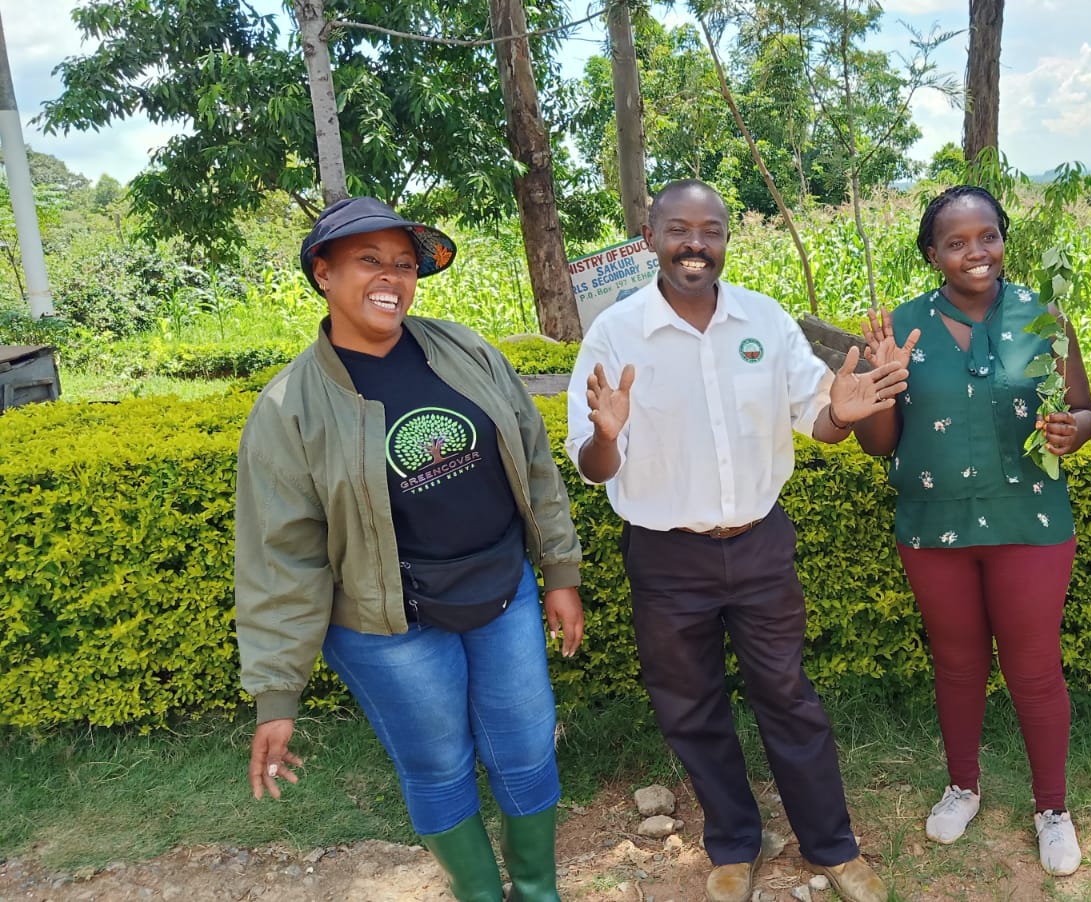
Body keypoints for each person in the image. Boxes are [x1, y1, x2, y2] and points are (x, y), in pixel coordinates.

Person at [235, 197, 585, 902]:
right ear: (323, 273)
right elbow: (282, 559)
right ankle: (483, 896)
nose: (391, 276)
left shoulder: (466, 351)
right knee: (439, 767)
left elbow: (535, 461)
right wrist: (277, 692)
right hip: (387, 628)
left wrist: (559, 571)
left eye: (403, 263)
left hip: (504, 594)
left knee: (524, 748)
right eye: (369, 261)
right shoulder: (287, 410)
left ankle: (538, 892)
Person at [565, 179, 901, 902]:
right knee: (689, 704)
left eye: (710, 229)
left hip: (758, 545)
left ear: (724, 238)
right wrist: (606, 434)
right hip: (665, 555)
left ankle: (833, 847)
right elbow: (593, 468)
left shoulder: (765, 320)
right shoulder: (615, 333)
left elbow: (818, 412)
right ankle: (732, 842)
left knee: (788, 693)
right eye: (679, 229)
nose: (695, 243)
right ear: (651, 236)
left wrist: (841, 415)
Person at [853, 185, 1091, 877]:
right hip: (933, 525)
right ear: (932, 254)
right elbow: (878, 445)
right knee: (957, 663)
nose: (975, 253)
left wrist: (1070, 431)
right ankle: (963, 786)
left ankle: (1052, 807)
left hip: (1032, 522)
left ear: (1003, 239)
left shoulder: (1045, 317)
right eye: (955, 242)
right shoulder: (900, 327)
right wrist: (879, 381)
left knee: (1033, 668)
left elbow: (1084, 413)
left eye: (986, 236)